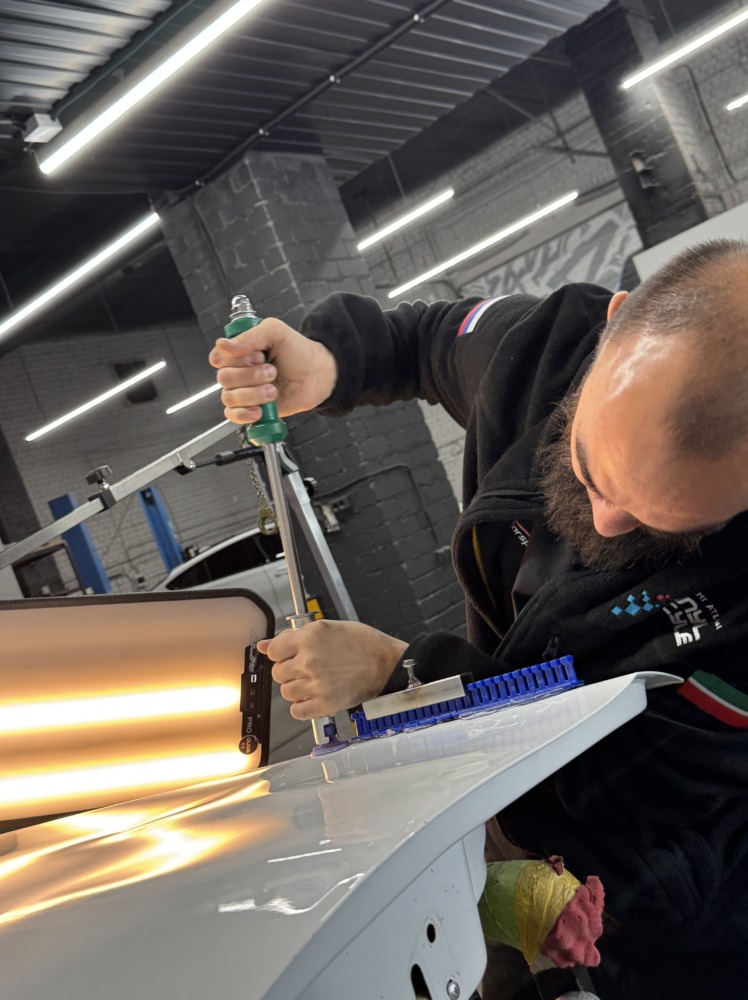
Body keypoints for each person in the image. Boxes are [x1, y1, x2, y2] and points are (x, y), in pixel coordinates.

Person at [209, 238, 748, 999]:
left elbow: (639, 790)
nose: (604, 520)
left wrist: (407, 675)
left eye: (659, 520)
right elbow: (425, 342)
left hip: (675, 926)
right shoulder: (551, 350)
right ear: (615, 327)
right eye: (594, 470)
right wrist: (329, 364)